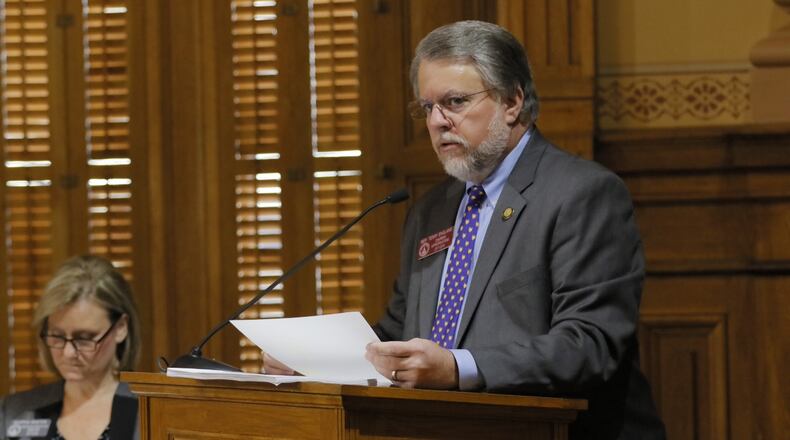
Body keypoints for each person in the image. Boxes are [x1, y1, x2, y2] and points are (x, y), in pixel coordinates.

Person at [362, 20, 666, 439]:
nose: (437, 122)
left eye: (454, 101)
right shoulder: (430, 211)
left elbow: (589, 344)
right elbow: (400, 331)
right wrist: (318, 363)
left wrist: (457, 367)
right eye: (427, 107)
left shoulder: (583, 194)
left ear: (512, 101)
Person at [0, 255, 141, 440]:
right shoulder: (14, 412)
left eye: (84, 338)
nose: (68, 353)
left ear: (121, 328)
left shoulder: (147, 411)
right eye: (57, 336)